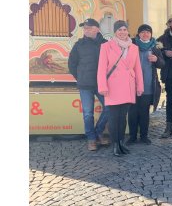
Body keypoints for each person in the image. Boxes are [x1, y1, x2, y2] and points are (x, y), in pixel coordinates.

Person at [97, 20, 144, 157]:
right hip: (112, 86)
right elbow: (101, 69)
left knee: (123, 117)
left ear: (128, 31)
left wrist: (139, 86)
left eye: (124, 29)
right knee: (113, 117)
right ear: (115, 32)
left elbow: (138, 69)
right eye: (119, 30)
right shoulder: (106, 46)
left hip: (128, 85)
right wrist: (102, 86)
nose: (122, 32)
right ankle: (115, 144)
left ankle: (121, 142)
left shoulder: (134, 47)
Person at [68, 18, 109, 151]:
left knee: (109, 108)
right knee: (87, 113)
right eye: (84, 28)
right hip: (85, 84)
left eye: (89, 27)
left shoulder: (106, 44)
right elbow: (72, 64)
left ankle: (98, 132)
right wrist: (80, 77)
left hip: (102, 84)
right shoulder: (78, 45)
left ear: (97, 29)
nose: (86, 30)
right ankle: (91, 139)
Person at [128, 24, 165, 145]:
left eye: (148, 32)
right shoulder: (131, 45)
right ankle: (132, 136)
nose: (145, 34)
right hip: (132, 85)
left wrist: (157, 60)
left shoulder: (155, 47)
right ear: (138, 34)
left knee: (144, 112)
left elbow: (162, 64)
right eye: (143, 32)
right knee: (132, 112)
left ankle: (144, 136)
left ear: (151, 34)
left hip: (148, 85)